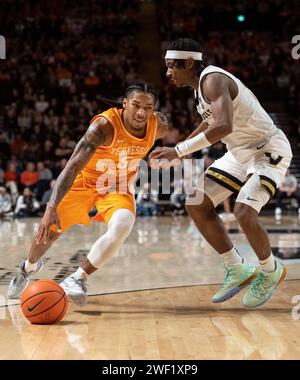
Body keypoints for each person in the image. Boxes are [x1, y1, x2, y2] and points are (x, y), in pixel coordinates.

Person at [149, 38, 292, 308]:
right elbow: (210, 121)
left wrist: (179, 150)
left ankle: (271, 271)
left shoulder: (213, 79)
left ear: (188, 62)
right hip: (238, 152)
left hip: (267, 150)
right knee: (195, 202)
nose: (168, 73)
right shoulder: (200, 89)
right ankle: (237, 268)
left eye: (171, 67)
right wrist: (182, 151)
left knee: (243, 213)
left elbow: (223, 126)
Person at [8, 83, 168, 305]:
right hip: (83, 181)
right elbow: (72, 167)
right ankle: (28, 267)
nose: (142, 112)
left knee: (123, 224)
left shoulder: (158, 126)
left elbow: (170, 139)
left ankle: (78, 278)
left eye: (148, 107)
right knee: (49, 234)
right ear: (124, 104)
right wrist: (50, 208)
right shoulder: (104, 126)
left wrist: (172, 154)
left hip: (116, 185)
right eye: (136, 105)